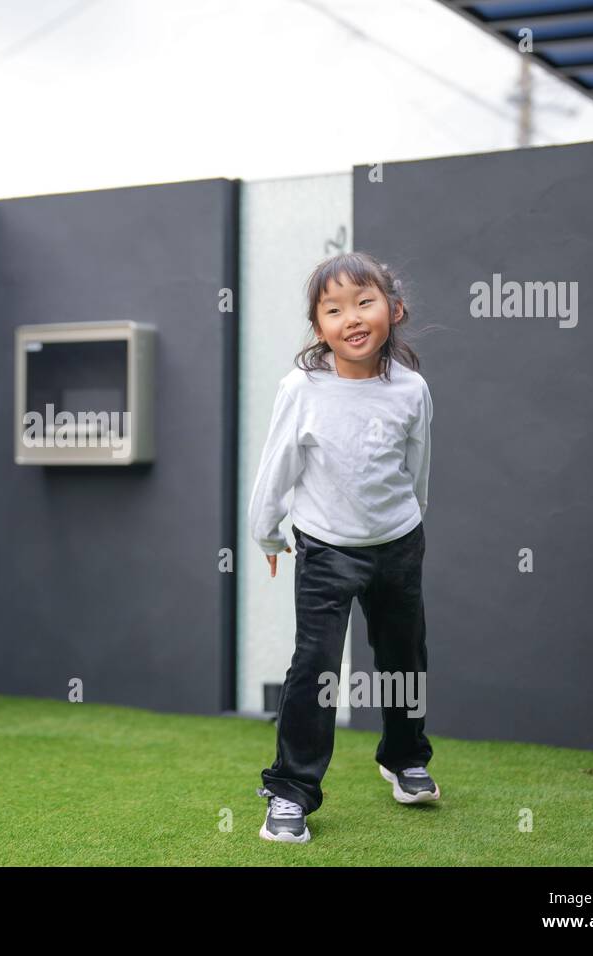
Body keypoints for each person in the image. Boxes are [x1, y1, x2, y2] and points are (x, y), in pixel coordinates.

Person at [247, 251, 438, 845]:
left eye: (365, 302)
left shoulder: (411, 388)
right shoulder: (302, 388)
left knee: (404, 656)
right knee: (317, 665)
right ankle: (290, 791)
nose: (351, 317)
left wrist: (408, 526)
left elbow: (417, 469)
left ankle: (404, 756)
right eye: (334, 309)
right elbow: (277, 466)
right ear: (319, 326)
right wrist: (268, 532)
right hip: (327, 550)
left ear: (394, 309)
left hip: (399, 544)